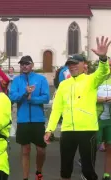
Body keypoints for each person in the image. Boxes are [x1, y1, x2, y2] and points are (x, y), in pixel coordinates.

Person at [44, 36, 111, 180]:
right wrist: (49, 129)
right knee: (65, 171)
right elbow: (57, 109)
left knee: (88, 171)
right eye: (69, 64)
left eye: (75, 63)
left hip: (88, 131)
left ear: (83, 64)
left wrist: (103, 58)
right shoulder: (63, 85)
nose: (72, 66)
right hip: (68, 130)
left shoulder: (91, 80)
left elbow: (103, 72)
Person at [9, 55, 50, 180]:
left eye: (26, 64)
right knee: (25, 150)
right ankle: (25, 177)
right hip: (23, 120)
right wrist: (25, 93)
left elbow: (46, 97)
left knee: (41, 150)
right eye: (22, 64)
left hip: (38, 120)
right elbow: (13, 97)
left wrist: (32, 99)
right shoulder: (16, 80)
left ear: (32, 65)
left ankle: (39, 171)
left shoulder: (41, 79)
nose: (24, 66)